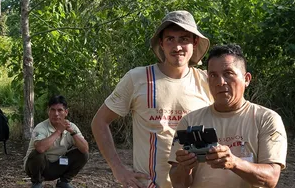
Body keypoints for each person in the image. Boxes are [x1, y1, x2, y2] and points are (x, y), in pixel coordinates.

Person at [91, 10, 214, 188]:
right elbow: (99, 122)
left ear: (195, 43)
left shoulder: (207, 81)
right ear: (161, 44)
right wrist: (118, 169)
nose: (177, 46)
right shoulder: (137, 78)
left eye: (183, 39)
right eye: (170, 39)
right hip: (149, 184)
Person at [168, 44, 287, 188]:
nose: (220, 82)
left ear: (247, 79)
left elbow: (271, 179)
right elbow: (178, 183)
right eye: (213, 75)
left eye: (228, 73)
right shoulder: (190, 121)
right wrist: (184, 167)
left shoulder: (266, 119)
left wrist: (234, 163)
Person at [24, 95, 89, 188]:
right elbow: (40, 148)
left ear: (66, 112)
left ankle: (64, 182)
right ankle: (37, 182)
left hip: (59, 164)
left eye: (60, 110)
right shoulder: (41, 127)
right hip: (39, 166)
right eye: (52, 110)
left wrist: (73, 132)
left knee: (83, 154)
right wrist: (59, 131)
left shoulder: (71, 126)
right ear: (48, 111)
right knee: (38, 154)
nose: (56, 114)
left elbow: (85, 149)